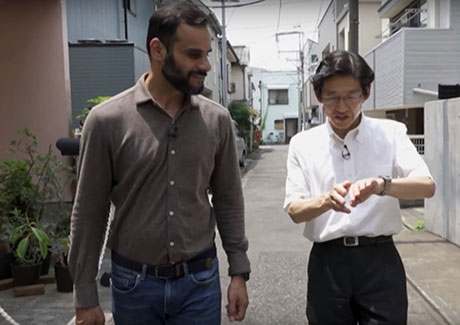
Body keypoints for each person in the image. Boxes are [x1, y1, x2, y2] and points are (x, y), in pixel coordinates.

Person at [68, 2, 250, 324]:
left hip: (200, 282)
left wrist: (238, 272)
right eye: (194, 55)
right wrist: (85, 295)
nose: (206, 65)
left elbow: (228, 201)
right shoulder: (107, 120)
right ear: (158, 49)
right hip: (132, 285)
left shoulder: (216, 120)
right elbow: (88, 213)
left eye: (207, 54)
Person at [284, 50, 435, 325]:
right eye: (331, 97)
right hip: (327, 262)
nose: (341, 106)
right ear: (319, 96)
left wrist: (382, 185)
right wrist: (326, 201)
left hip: (379, 259)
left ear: (366, 93)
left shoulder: (391, 133)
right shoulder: (303, 144)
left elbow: (426, 186)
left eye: (351, 95)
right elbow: (295, 209)